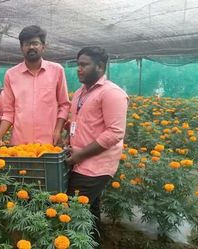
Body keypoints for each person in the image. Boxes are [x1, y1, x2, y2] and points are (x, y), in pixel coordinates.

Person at [65, 47, 129, 247]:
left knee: (72, 211)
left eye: (84, 65)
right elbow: (80, 123)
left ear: (100, 67)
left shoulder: (112, 93)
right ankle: (93, 242)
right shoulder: (79, 93)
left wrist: (80, 154)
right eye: (78, 65)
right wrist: (68, 139)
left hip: (95, 166)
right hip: (79, 161)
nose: (79, 69)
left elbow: (115, 133)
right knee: (89, 212)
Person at [0, 25, 70, 147]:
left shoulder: (57, 71)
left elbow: (64, 105)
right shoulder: (11, 75)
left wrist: (58, 131)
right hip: (20, 144)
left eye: (35, 43)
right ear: (21, 48)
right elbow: (9, 112)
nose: (31, 47)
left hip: (48, 143)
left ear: (43, 46)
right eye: (27, 44)